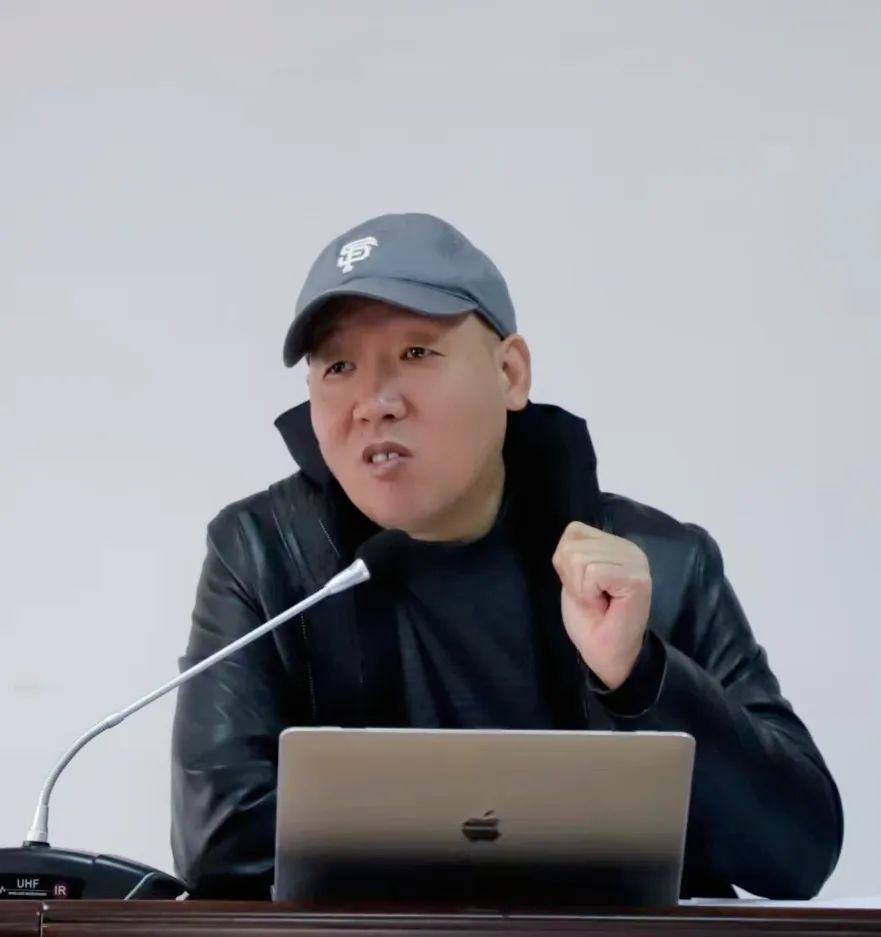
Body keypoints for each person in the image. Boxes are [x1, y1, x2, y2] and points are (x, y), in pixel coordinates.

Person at [170, 212, 843, 901]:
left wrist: (640, 676)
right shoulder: (265, 555)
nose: (374, 403)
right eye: (339, 366)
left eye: (416, 352)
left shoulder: (655, 564)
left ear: (510, 373)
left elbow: (797, 852)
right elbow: (219, 845)